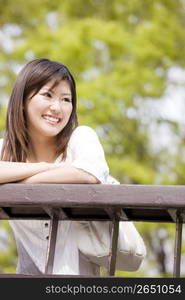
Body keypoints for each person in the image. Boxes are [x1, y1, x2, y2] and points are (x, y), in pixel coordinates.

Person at [0, 58, 146, 275]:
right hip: (27, 280)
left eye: (66, 99)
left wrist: (16, 179)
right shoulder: (6, 150)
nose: (57, 107)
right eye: (47, 95)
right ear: (22, 100)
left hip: (78, 285)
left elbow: (89, 174)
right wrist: (46, 168)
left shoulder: (80, 137)